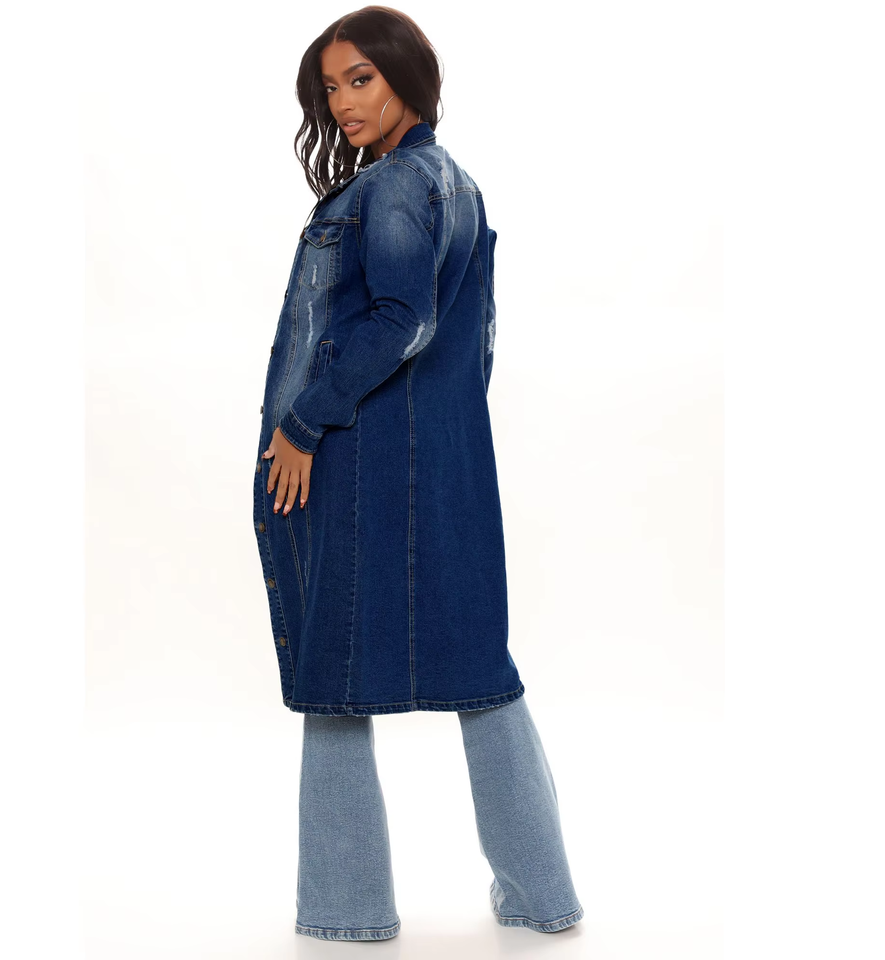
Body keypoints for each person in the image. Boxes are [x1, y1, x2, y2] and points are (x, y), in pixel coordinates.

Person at [252, 5, 584, 941]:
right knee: (481, 671)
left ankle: (346, 907)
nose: (343, 103)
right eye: (331, 87)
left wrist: (305, 424)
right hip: (440, 466)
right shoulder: (458, 184)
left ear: (407, 77)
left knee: (332, 677)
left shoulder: (396, 186)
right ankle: (543, 895)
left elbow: (402, 318)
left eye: (361, 79)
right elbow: (471, 346)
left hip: (356, 462)